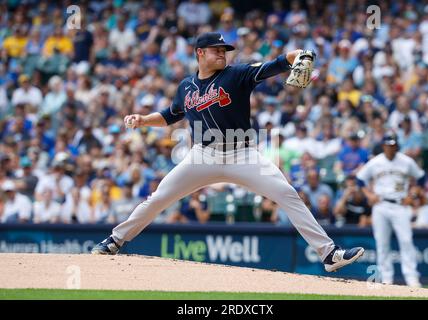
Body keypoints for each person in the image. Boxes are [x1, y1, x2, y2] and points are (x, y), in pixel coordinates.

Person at [92, 32, 364, 273]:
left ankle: (328, 253)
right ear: (200, 53)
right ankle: (115, 239)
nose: (222, 53)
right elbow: (169, 115)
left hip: (242, 154)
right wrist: (142, 119)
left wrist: (301, 55)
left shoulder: (237, 74)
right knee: (159, 198)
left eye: (224, 50)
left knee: (287, 193)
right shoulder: (186, 87)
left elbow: (278, 63)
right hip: (203, 156)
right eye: (216, 50)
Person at [356, 132, 424, 287]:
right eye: (388, 145)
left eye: (393, 145)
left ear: (396, 146)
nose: (390, 148)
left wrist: (412, 195)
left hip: (400, 205)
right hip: (381, 204)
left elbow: (421, 178)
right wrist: (369, 194)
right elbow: (360, 179)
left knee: (406, 241)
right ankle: (386, 278)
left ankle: (412, 278)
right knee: (382, 243)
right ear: (383, 146)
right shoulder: (376, 162)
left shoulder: (406, 161)